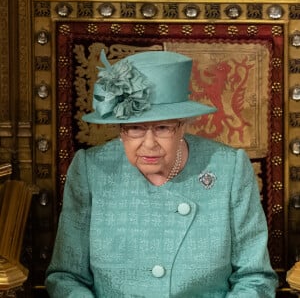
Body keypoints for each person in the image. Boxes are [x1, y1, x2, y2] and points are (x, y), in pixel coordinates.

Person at [45, 50, 278, 297]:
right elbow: (66, 277)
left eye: (163, 127)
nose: (149, 143)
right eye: (135, 128)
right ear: (120, 129)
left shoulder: (229, 168)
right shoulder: (91, 170)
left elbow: (254, 277)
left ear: (183, 126)